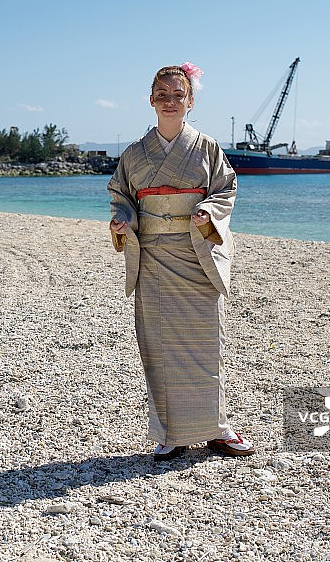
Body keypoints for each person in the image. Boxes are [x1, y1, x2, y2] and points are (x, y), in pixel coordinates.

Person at [108, 62, 255, 461]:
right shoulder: (135, 154)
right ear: (150, 100)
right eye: (162, 94)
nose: (170, 101)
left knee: (207, 344)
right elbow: (121, 194)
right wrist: (123, 220)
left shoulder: (206, 147)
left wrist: (209, 211)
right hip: (153, 257)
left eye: (178, 95)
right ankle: (170, 433)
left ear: (191, 101)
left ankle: (217, 428)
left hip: (195, 255)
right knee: (157, 346)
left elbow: (226, 187)